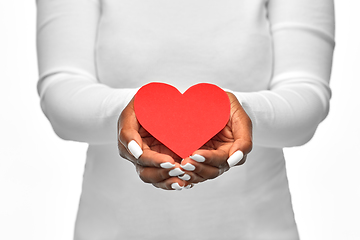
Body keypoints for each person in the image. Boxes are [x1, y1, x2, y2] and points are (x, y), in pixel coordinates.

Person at [36, 0, 335, 239]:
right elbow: (61, 90)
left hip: (259, 230)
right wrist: (129, 111)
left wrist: (238, 112)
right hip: (109, 230)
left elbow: (307, 95)